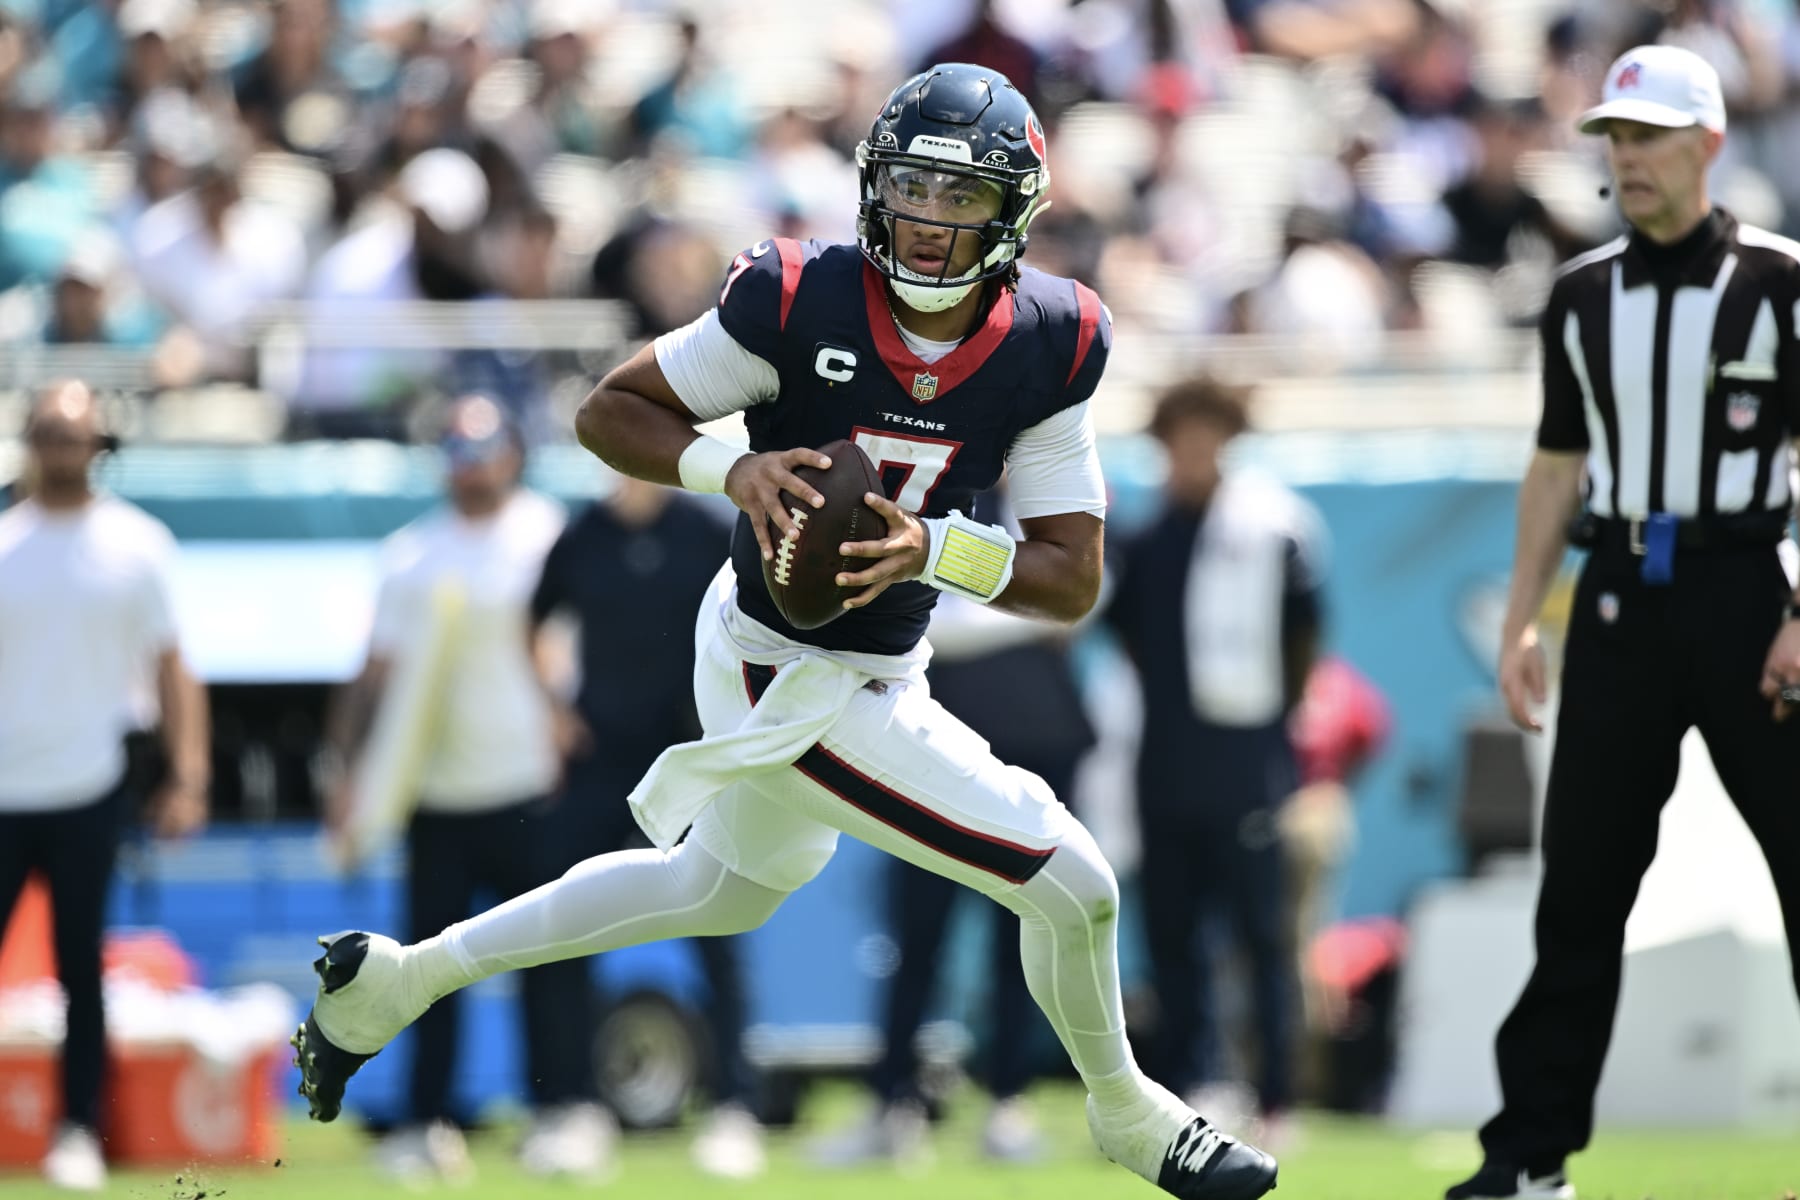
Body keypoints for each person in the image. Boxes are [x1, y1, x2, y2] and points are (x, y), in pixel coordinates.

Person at [291, 63, 1279, 1200]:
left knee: (719, 888)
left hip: (881, 670)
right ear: (873, 187)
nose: (930, 221)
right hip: (774, 662)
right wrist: (733, 462)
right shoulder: (799, 297)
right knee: (1073, 879)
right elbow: (612, 409)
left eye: (962, 200)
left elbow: (1070, 578)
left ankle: (402, 982)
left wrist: (937, 547)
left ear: (1013, 214)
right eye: (913, 188)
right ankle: (1130, 1112)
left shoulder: (1050, 341)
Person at [1447, 45, 1800, 1200]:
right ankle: (1529, 1159)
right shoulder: (1580, 293)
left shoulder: (1781, 281)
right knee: (1581, 891)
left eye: (1650, 136)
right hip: (1617, 599)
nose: (1628, 159)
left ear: (1708, 143)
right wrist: (1518, 620)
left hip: (1757, 596)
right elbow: (1557, 463)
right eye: (1615, 138)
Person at [321, 395, 600, 1181]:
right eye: (457, 448)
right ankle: (425, 1123)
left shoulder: (546, 533)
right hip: (437, 798)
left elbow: (575, 641)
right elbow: (372, 675)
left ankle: (563, 1111)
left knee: (551, 959)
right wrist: (347, 773)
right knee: (425, 973)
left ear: (512, 453)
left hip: (531, 786)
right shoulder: (412, 554)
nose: (471, 465)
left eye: (484, 447)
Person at [811, 485, 1096, 1168]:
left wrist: (994, 591)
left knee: (1021, 939)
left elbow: (1088, 591)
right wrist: (1030, 604)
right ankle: (893, 1106)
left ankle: (1008, 1104)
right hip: (927, 755)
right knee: (918, 936)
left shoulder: (1043, 502)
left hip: (1037, 746)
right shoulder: (921, 494)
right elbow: (937, 624)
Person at [1104, 376, 1326, 1148]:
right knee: (1172, 940)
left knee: (1261, 939)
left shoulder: (1274, 532)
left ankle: (1277, 1098)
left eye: (1209, 435)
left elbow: (1303, 644)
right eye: (1180, 436)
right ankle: (1192, 1087)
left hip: (1247, 769)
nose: (1194, 452)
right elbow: (1125, 638)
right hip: (1165, 768)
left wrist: (1269, 729)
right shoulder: (1142, 541)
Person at [0, 380, 210, 1192]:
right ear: (30, 441)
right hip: (4, 788)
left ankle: (78, 1127)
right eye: (48, 433)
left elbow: (171, 666)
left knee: (79, 968)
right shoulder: (6, 541)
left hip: (88, 783)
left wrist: (188, 774)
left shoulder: (138, 545)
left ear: (98, 446)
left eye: (74, 434)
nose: (61, 448)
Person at [527, 473, 767, 1179]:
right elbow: (534, 623)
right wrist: (556, 710)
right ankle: (569, 1107)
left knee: (722, 931)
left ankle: (734, 1108)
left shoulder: (703, 530)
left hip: (690, 757)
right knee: (568, 926)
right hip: (600, 761)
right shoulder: (582, 535)